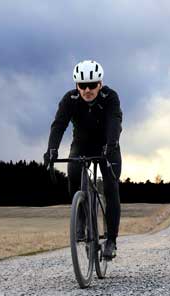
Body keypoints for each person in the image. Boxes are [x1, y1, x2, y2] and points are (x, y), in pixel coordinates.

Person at [44, 60, 122, 259]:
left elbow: (115, 121)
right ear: (76, 85)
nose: (88, 90)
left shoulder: (110, 97)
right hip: (82, 144)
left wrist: (111, 144)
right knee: (73, 172)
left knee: (111, 187)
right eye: (82, 86)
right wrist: (51, 149)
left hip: (107, 144)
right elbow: (58, 125)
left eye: (93, 85)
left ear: (100, 83)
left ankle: (111, 240)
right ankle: (81, 216)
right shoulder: (69, 99)